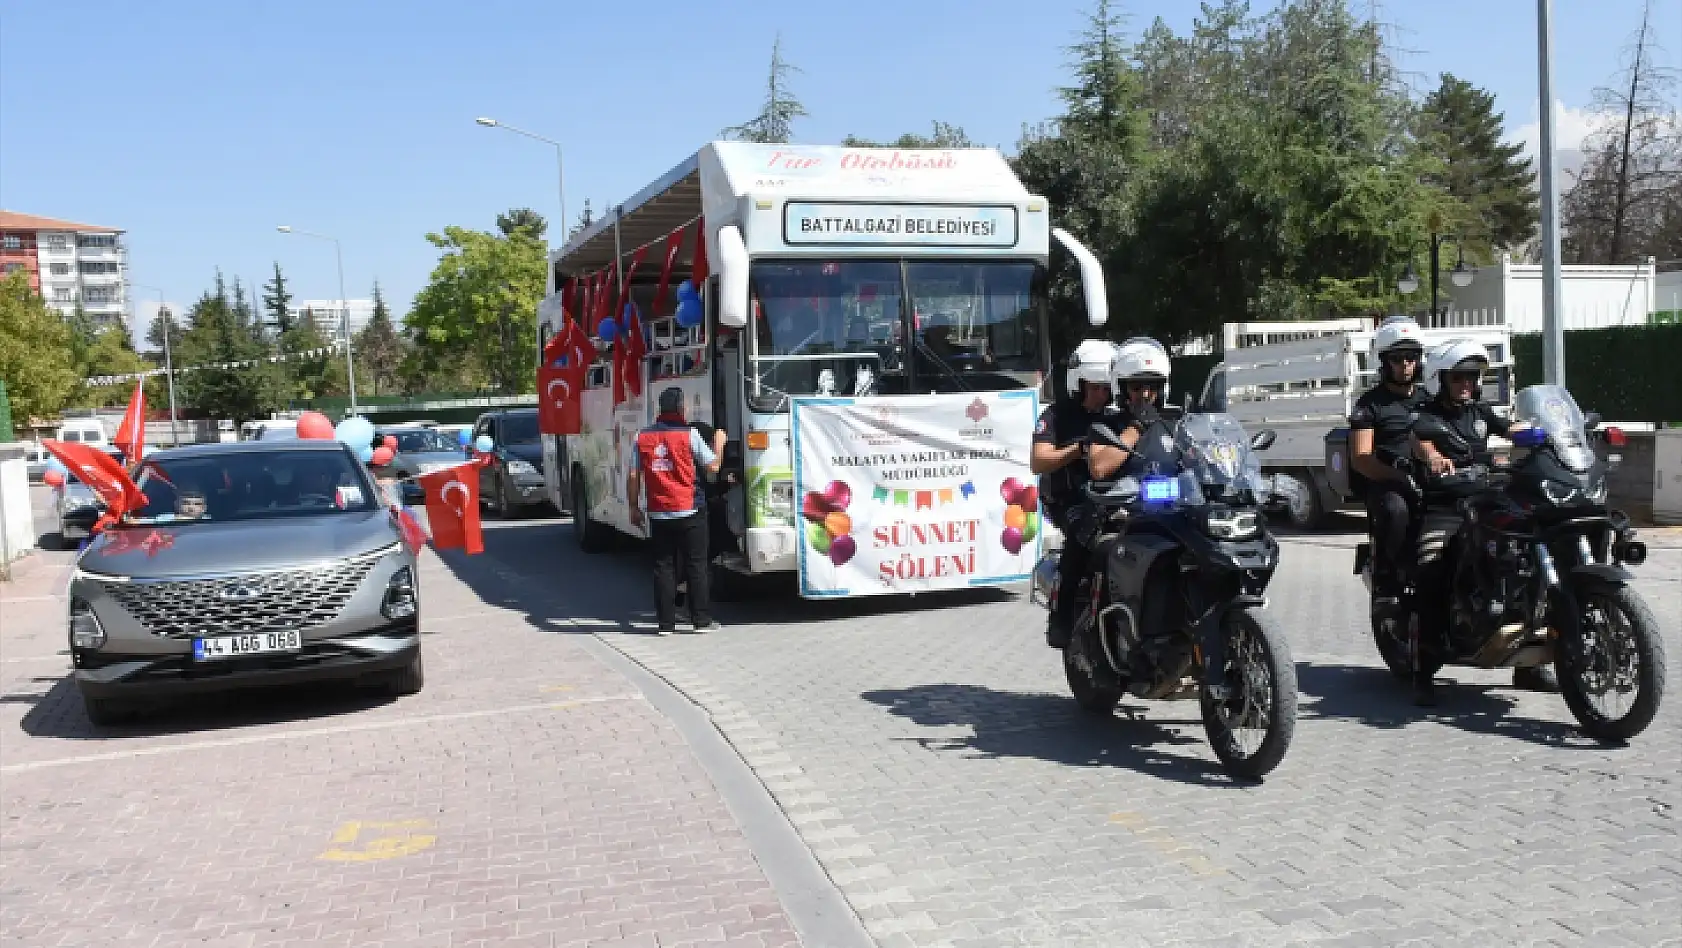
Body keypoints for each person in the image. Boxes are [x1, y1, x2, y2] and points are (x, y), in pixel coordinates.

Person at [1410, 339, 1553, 703]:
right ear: (1440, 378)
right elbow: (1420, 443)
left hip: (1485, 499)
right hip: (1445, 507)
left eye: (1471, 378)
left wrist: (1545, 433)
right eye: (1458, 377)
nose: (1466, 384)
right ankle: (1423, 667)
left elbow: (1510, 430)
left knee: (1530, 559)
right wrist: (1435, 459)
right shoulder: (1426, 415)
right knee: (1432, 570)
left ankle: (1530, 664)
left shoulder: (1479, 411)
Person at [1033, 339, 1124, 648]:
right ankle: (1062, 614)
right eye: (1096, 387)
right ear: (1080, 383)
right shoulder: (1057, 415)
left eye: (1106, 387)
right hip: (1068, 499)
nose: (1103, 394)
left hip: (1116, 495)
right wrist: (1079, 449)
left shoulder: (1117, 415)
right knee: (1084, 531)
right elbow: (1038, 460)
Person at [628, 386, 722, 635]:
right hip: (690, 509)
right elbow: (712, 467)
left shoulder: (641, 437)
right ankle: (701, 621)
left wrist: (633, 507)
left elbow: (633, 475)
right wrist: (720, 445)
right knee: (696, 565)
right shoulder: (689, 434)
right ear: (681, 408)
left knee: (663, 567)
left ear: (660, 409)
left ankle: (665, 624)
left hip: (659, 511)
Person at [1348, 317, 1428, 607]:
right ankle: (1388, 578)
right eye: (1397, 358)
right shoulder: (1370, 404)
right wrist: (1399, 478)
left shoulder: (1429, 399)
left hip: (1428, 477)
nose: (1405, 364)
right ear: (1385, 362)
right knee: (1396, 510)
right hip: (1388, 482)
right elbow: (1361, 458)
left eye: (1411, 357)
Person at [1087, 337, 1179, 480]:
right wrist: (1137, 426)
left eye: (1153, 386)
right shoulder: (1106, 426)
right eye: (1136, 386)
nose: (1145, 394)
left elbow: (1196, 465)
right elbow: (1099, 469)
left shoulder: (1174, 425)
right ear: (1123, 389)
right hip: (1123, 502)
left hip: (1174, 502)